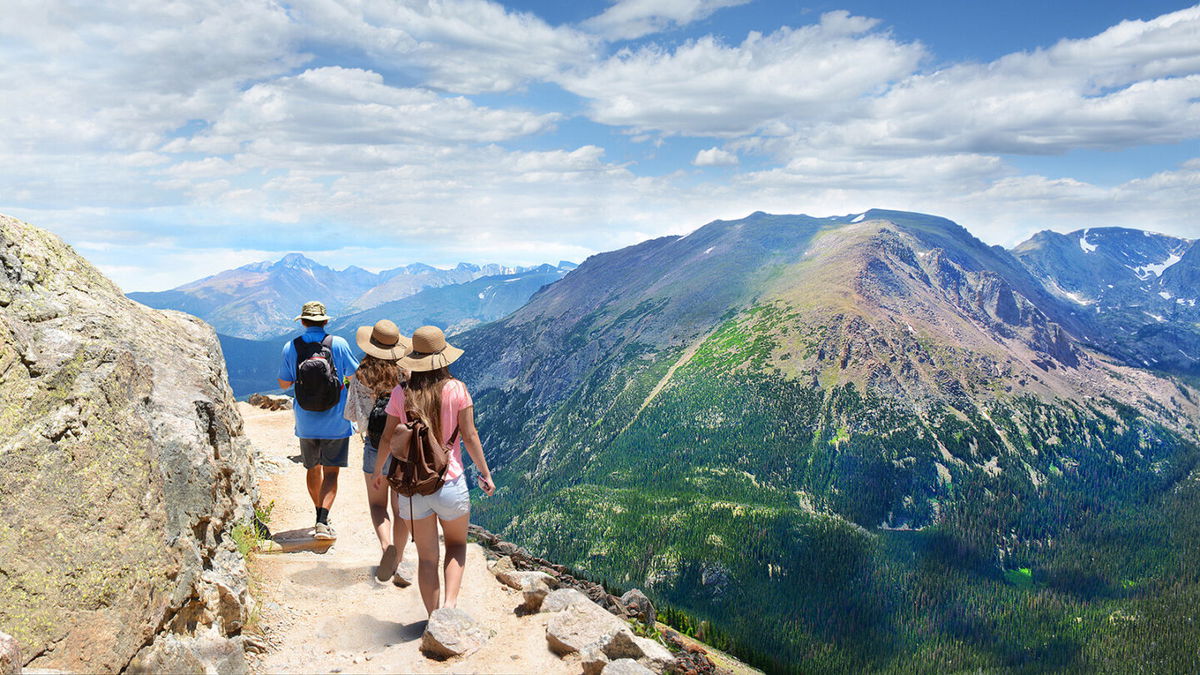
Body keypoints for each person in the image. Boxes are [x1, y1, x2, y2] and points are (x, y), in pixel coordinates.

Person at [373, 325, 495, 615]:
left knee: (427, 558)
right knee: (456, 546)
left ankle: (431, 619)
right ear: (443, 357)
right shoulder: (457, 389)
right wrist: (485, 473)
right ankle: (449, 610)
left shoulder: (400, 394)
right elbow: (470, 435)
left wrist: (379, 471)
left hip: (412, 487)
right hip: (450, 482)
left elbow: (388, 438)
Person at [277, 300, 359, 540]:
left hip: (306, 420)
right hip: (336, 421)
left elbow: (283, 383)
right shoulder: (339, 344)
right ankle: (322, 521)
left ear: (302, 322)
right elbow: (354, 375)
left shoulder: (291, 346)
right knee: (331, 473)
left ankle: (319, 514)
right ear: (325, 321)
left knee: (312, 468)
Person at [344, 319, 413, 583]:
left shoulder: (360, 375)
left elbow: (352, 415)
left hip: (374, 445)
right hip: (402, 448)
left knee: (377, 504)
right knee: (400, 508)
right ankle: (400, 559)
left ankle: (386, 548)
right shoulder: (405, 375)